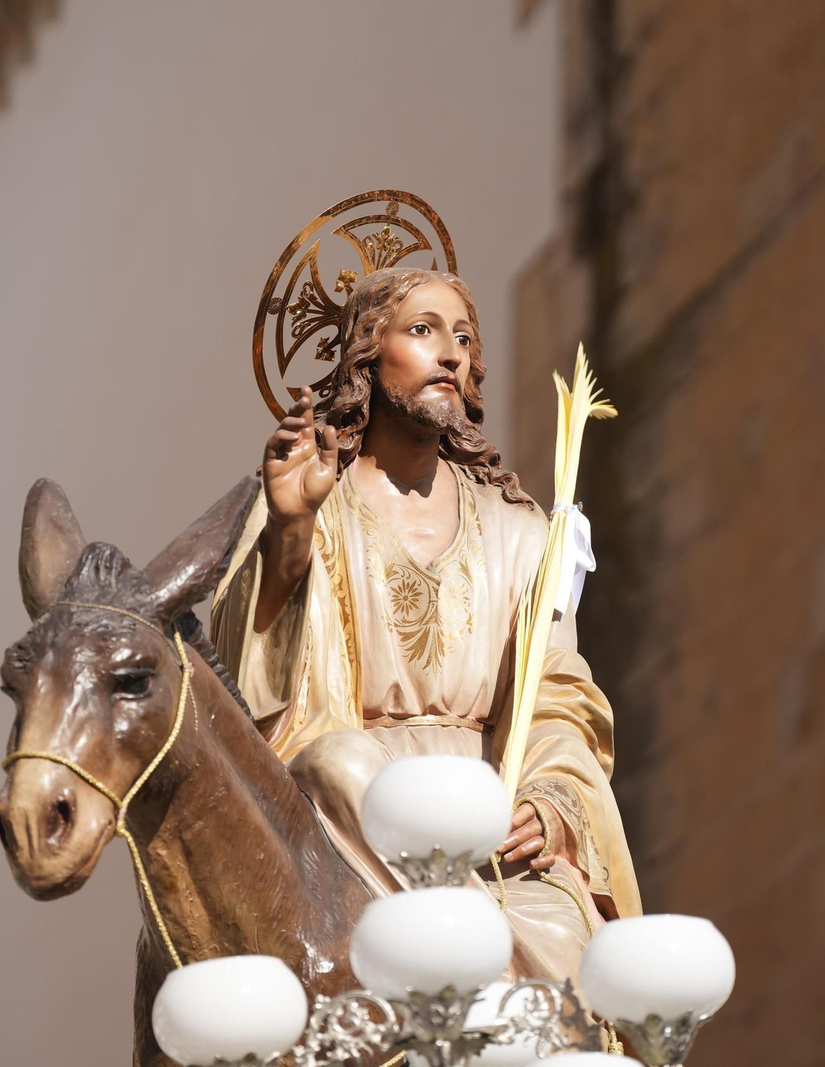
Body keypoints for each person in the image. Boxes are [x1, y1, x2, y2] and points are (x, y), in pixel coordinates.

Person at [213, 265, 640, 984]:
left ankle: (489, 957)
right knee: (335, 760)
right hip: (353, 824)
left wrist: (550, 803)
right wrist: (288, 532)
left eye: (465, 339)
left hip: (489, 832)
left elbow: (556, 698)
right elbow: (246, 692)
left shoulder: (519, 532)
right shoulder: (310, 501)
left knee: (571, 928)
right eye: (423, 331)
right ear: (365, 358)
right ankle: (475, 953)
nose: (452, 354)